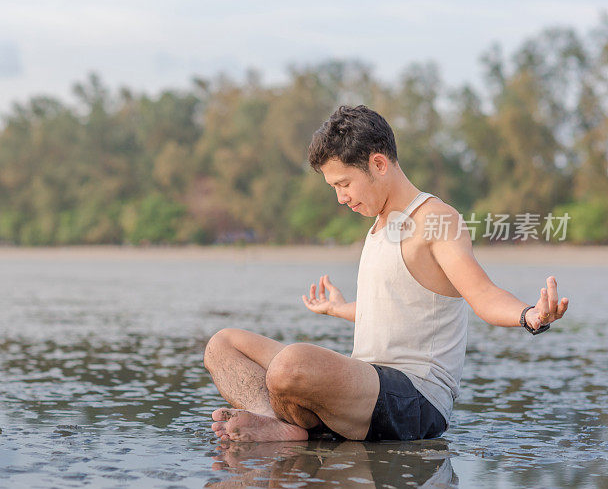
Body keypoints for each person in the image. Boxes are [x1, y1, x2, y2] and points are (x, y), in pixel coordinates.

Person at [204, 104, 569, 442]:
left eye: (344, 184)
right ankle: (279, 424)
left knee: (291, 365)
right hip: (365, 384)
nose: (340, 198)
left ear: (378, 164)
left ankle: (288, 429)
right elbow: (397, 310)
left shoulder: (435, 219)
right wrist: (340, 308)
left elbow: (483, 295)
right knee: (222, 345)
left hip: (416, 398)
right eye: (334, 188)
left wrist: (530, 315)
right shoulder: (380, 223)